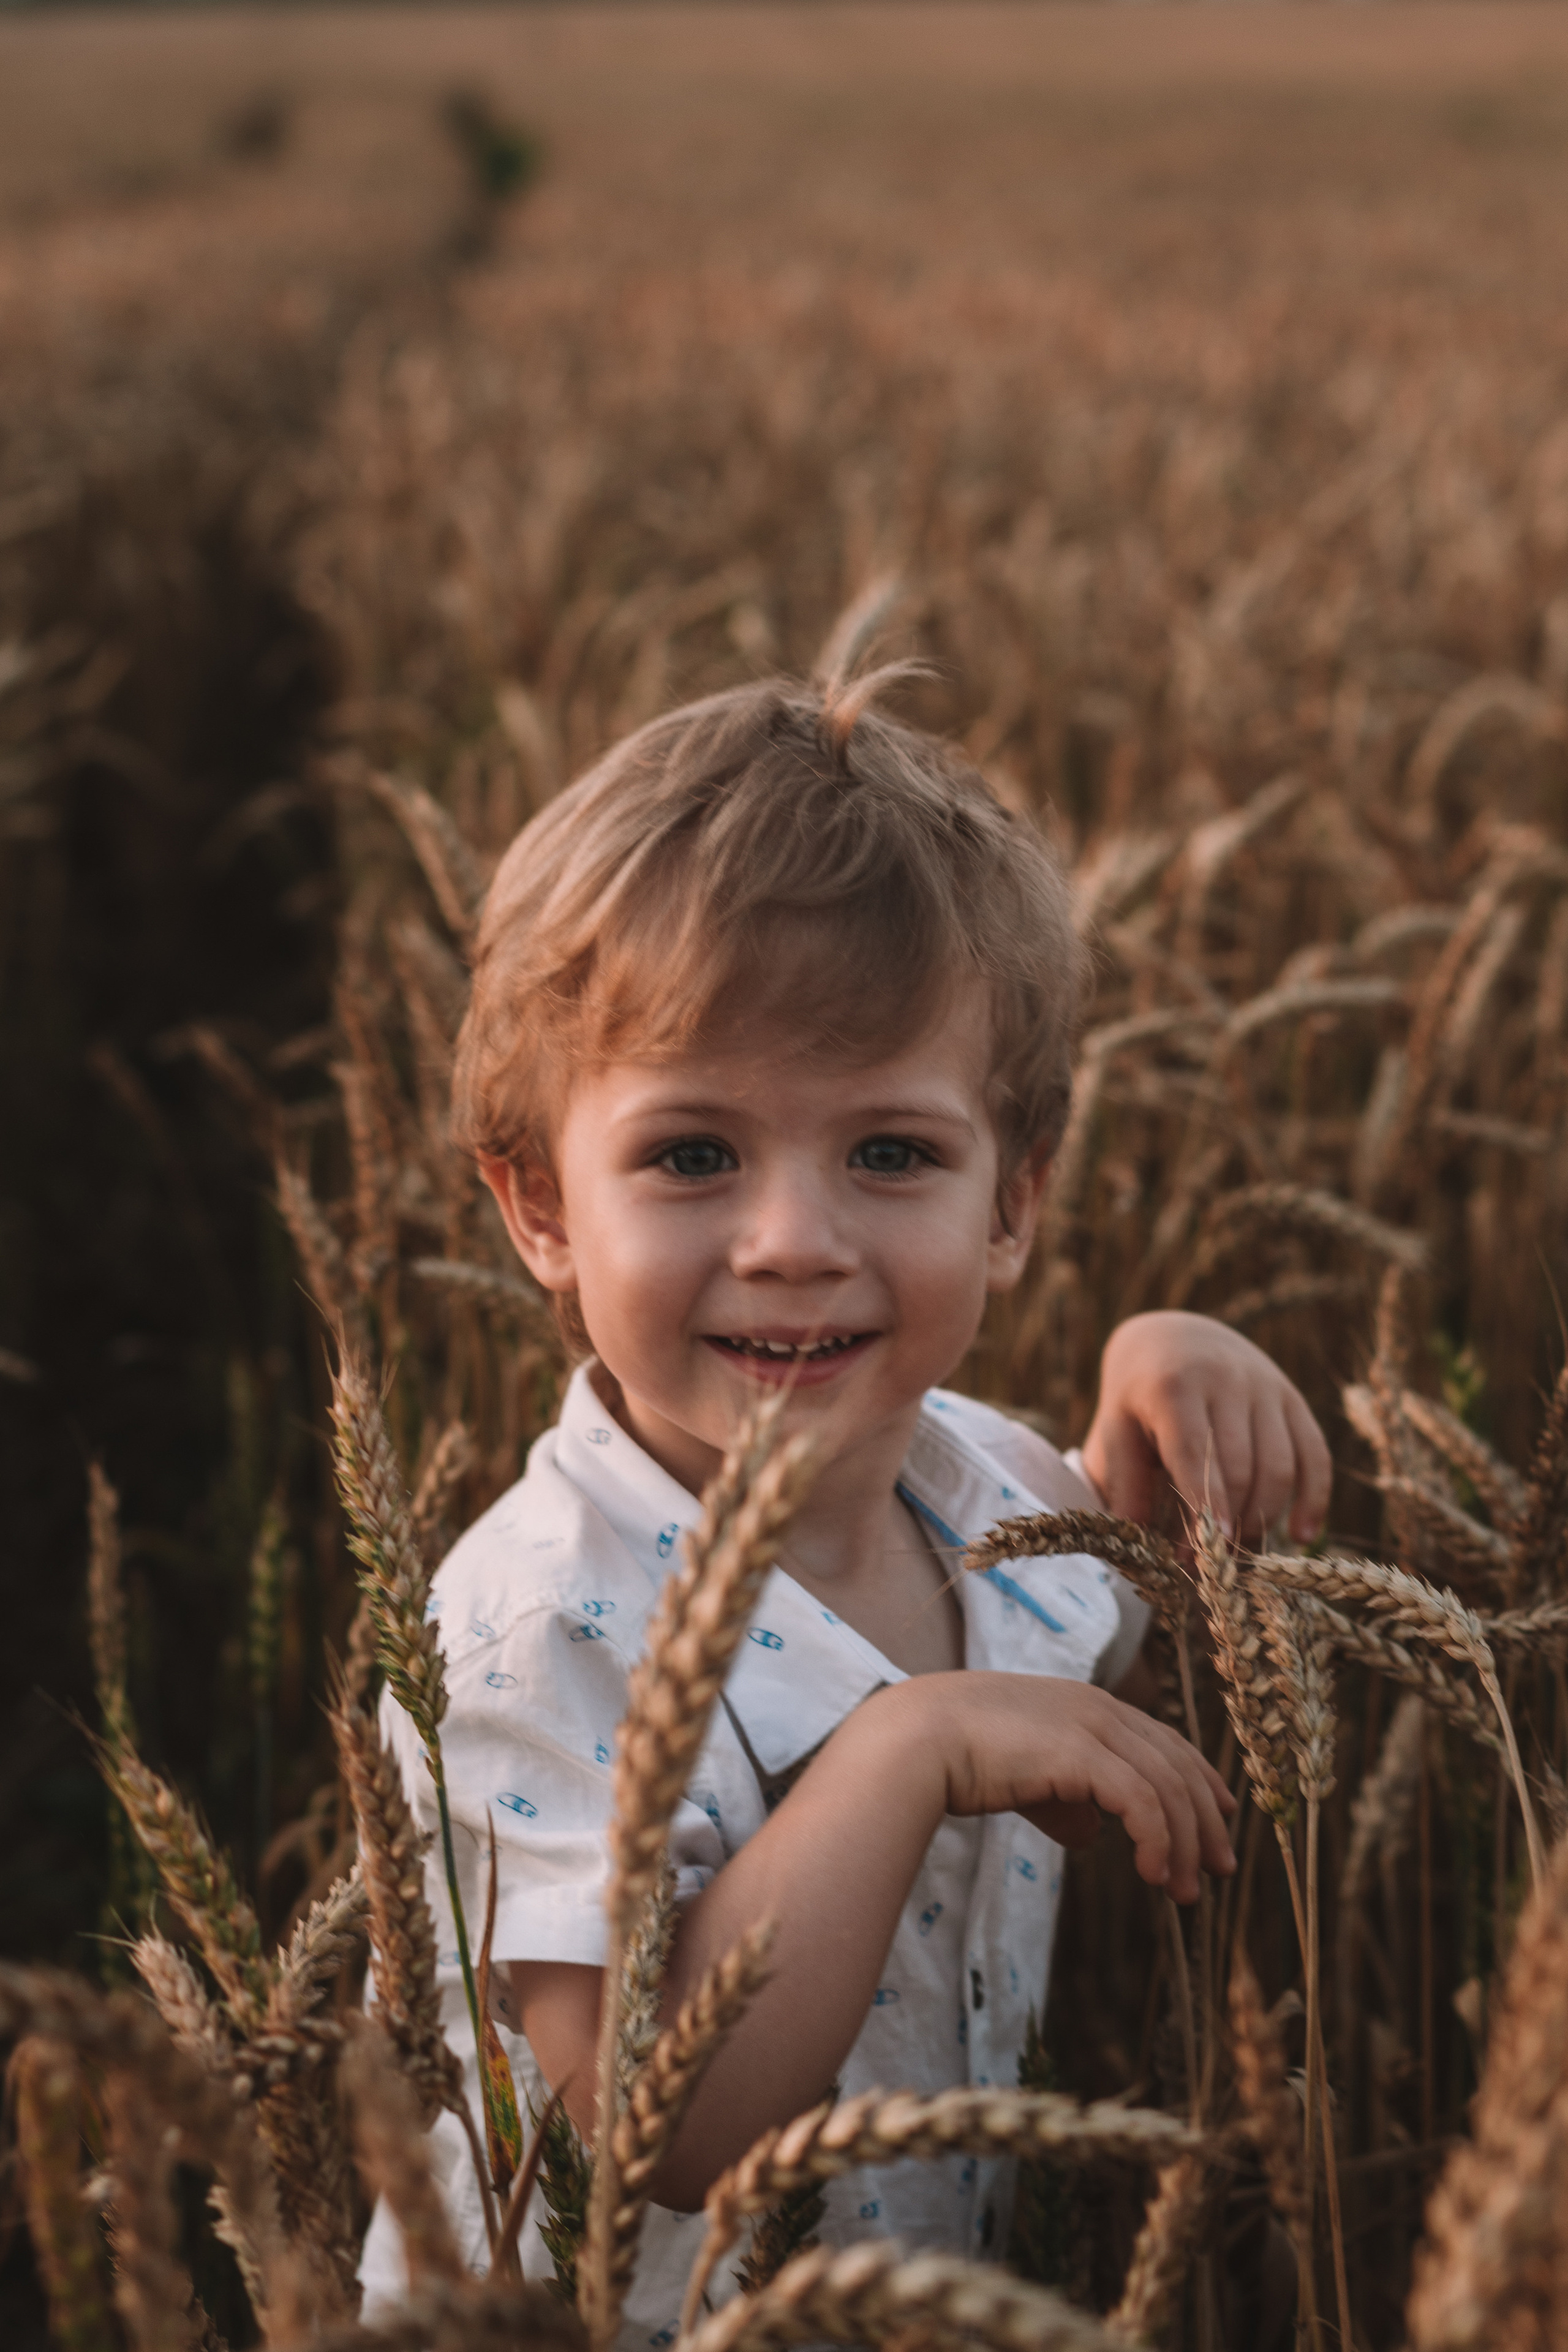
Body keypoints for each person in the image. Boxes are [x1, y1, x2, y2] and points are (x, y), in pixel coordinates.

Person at [359, 658, 1331, 2340]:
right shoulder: (529, 1635)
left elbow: (1122, 1656)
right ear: (539, 1209)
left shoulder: (996, 1499)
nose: (794, 1236)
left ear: (1014, 1200)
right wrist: (906, 1750)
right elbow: (658, 2128)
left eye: (891, 1155)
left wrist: (1156, 1405)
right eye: (691, 1156)